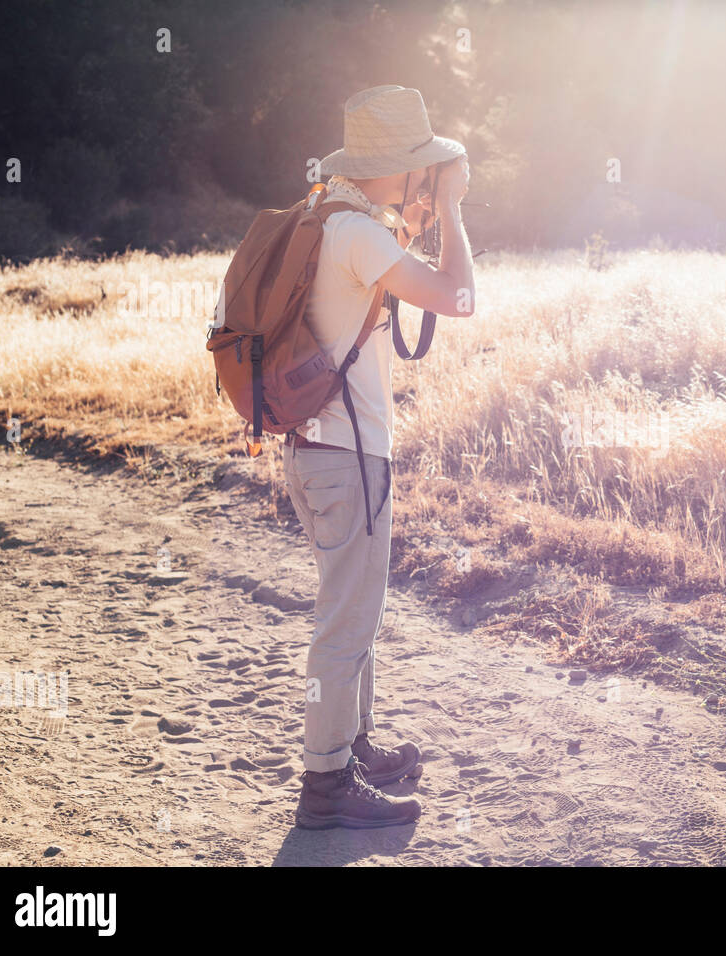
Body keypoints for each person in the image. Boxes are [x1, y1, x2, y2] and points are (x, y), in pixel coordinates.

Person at [287, 85, 474, 829]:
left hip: (317, 453)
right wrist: (453, 209)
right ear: (392, 167)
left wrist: (420, 211)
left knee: (354, 615)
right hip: (347, 457)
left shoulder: (328, 217)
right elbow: (457, 298)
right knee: (345, 626)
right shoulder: (360, 236)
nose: (425, 179)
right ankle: (326, 789)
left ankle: (350, 748)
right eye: (418, 168)